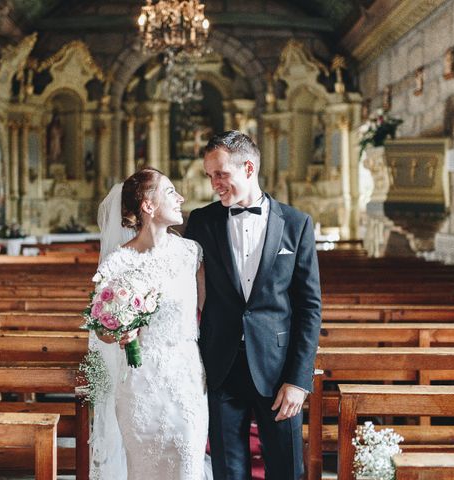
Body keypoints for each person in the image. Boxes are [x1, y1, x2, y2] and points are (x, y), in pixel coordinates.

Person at [185, 130, 322, 480]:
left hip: (278, 372)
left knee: (286, 470)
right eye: (210, 175)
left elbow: (309, 307)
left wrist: (299, 379)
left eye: (221, 174)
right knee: (227, 472)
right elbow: (178, 285)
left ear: (248, 168)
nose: (214, 183)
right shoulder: (202, 222)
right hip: (220, 367)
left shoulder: (296, 223)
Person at [90, 167, 210, 479]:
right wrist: (120, 329)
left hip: (186, 380)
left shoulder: (190, 253)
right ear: (148, 205)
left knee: (188, 467)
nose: (181, 197)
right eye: (171, 191)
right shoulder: (119, 262)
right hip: (140, 386)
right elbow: (101, 330)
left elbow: (209, 311)